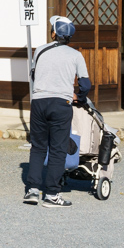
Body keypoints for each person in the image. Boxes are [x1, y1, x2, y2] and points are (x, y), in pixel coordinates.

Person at [24, 16, 92, 209]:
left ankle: (32, 190)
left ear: (54, 33)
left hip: (38, 102)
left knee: (38, 146)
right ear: (69, 36)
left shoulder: (40, 50)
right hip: (61, 103)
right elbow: (85, 84)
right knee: (57, 149)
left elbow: (35, 75)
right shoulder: (75, 55)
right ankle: (52, 194)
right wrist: (79, 96)